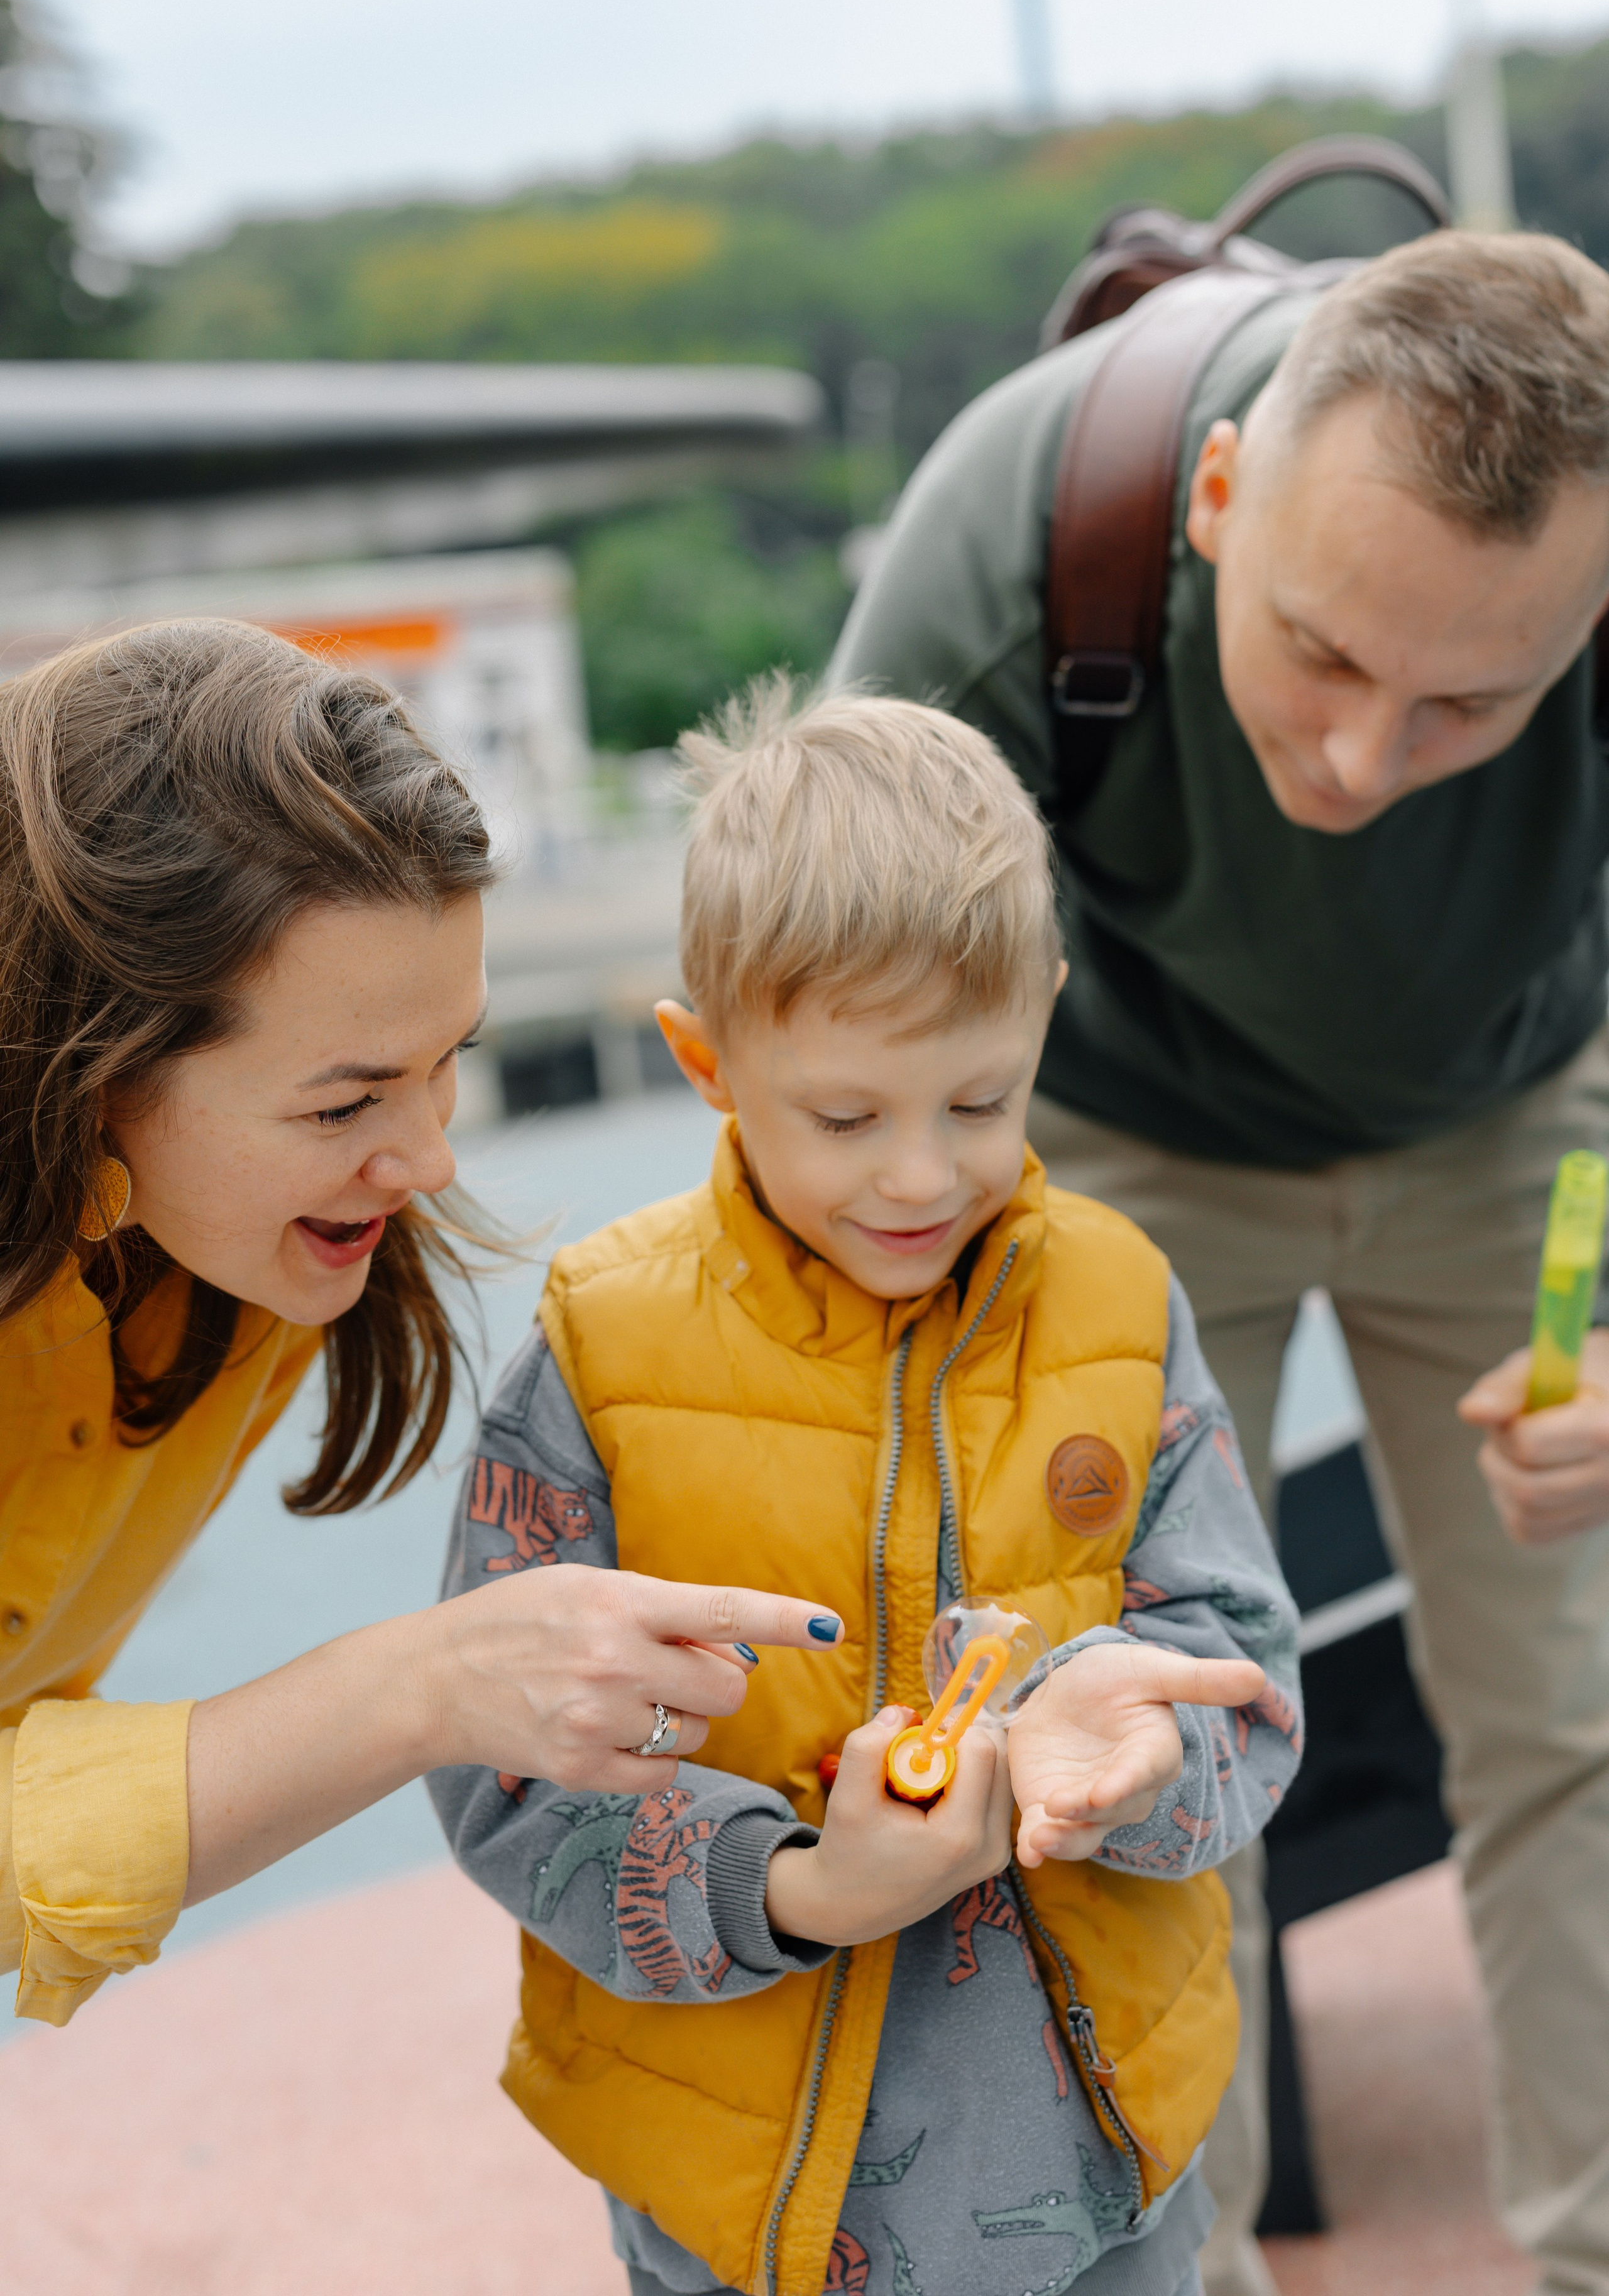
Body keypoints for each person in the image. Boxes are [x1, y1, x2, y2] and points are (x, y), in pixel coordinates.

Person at [827, 226, 1609, 2296]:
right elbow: (837, 1026)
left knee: (1578, 1714)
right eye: (1325, 654)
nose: (1359, 764)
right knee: (1137, 1740)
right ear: (1220, 496)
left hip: (1522, 1125)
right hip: (1124, 1137)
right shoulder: (1016, 543)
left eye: (1472, 702)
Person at [429, 689, 1302, 2296]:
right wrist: (797, 1886)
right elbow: (504, 1766)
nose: (919, 1174)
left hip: (1101, 2165)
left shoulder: (1119, 1300)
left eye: (979, 1101)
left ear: (1041, 1012)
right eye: (844, 1117)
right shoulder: (597, 1349)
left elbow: (1242, 1653)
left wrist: (1130, 1747)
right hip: (741, 2190)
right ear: (703, 1055)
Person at [0, 618, 845, 2031]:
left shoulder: (239, 1252)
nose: (429, 1158)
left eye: (449, 1061)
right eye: (343, 1104)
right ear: (93, 1076)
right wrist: (425, 1686)